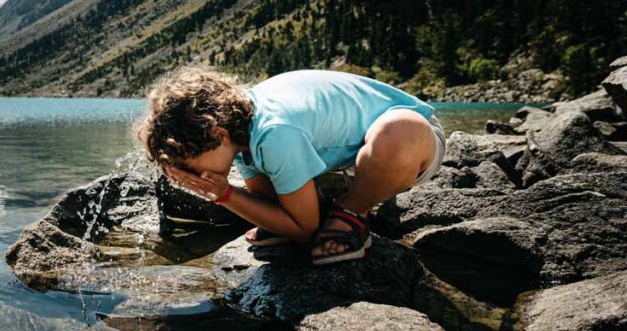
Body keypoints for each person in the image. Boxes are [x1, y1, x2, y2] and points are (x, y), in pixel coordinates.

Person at [132, 65, 445, 265]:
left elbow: (304, 228)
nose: (194, 176)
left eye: (189, 165)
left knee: (398, 133)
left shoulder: (274, 132)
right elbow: (269, 201)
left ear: (217, 135)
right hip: (348, 159)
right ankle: (336, 202)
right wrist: (277, 216)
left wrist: (225, 195)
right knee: (281, 203)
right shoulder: (242, 129)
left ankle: (352, 213)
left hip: (415, 140)